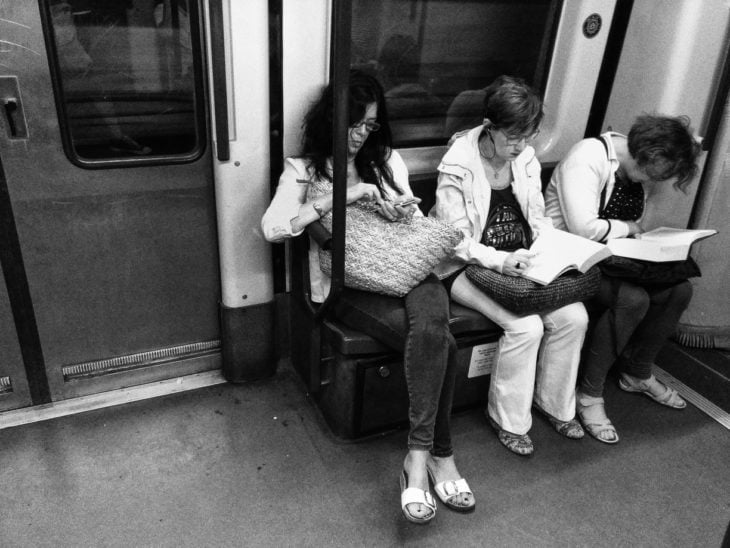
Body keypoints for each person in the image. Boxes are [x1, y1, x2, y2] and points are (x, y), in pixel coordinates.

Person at [261, 70, 475, 523]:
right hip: (351, 284)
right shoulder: (303, 170)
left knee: (437, 330)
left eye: (370, 125)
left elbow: (406, 221)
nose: (360, 135)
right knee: (444, 343)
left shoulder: (387, 160)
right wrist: (345, 194)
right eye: (352, 124)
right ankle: (440, 454)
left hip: (407, 269)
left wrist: (398, 207)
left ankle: (417, 459)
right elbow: (274, 228)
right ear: (330, 121)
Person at [430, 75, 588, 457]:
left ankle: (555, 404)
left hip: (520, 262)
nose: (519, 146)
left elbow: (535, 216)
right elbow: (454, 239)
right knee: (526, 326)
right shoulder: (458, 164)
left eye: (527, 136)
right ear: (490, 127)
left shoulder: (526, 158)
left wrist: (553, 250)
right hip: (464, 266)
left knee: (574, 318)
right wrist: (501, 260)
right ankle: (509, 420)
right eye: (512, 137)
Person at [544, 114, 701, 444]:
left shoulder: (637, 175)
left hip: (611, 259)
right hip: (568, 257)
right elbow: (583, 227)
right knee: (632, 298)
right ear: (651, 155)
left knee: (679, 291)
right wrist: (631, 229)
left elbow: (621, 227)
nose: (663, 179)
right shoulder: (588, 157)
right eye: (665, 170)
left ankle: (637, 372)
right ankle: (589, 394)